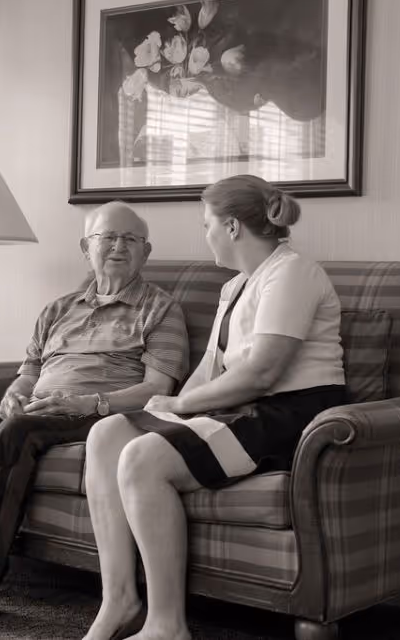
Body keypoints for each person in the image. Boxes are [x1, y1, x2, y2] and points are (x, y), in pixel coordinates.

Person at [0, 201, 190, 630]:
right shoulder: (59, 308)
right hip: (38, 407)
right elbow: (30, 370)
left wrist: (89, 402)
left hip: (95, 414)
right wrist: (14, 393)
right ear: (86, 247)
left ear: (145, 252)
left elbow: (158, 389)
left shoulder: (161, 309)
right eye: (108, 237)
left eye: (131, 240)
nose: (119, 246)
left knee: (17, 432)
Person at [82, 175, 348, 640]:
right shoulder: (235, 287)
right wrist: (163, 407)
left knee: (142, 458)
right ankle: (119, 599)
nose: (203, 233)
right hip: (240, 409)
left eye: (206, 224)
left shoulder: (293, 273)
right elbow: (212, 369)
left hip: (290, 415)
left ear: (230, 227)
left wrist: (182, 403)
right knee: (107, 435)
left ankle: (167, 625)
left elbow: (263, 372)